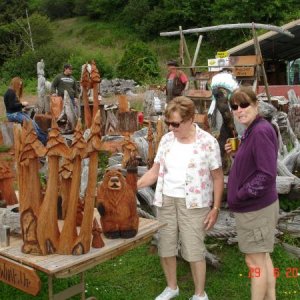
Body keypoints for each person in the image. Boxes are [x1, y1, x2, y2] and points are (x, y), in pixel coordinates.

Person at [137, 96, 224, 300]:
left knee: (194, 250)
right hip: (166, 200)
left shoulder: (208, 143)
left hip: (194, 204)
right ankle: (172, 287)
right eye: (169, 123)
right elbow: (154, 172)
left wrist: (216, 208)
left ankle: (199, 294)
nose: (171, 128)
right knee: (165, 246)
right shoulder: (167, 139)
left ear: (190, 119)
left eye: (176, 124)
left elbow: (218, 177)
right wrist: (131, 186)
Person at [225, 87, 279, 300]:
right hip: (257, 209)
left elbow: (266, 175)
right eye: (235, 106)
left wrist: (240, 195)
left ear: (256, 105)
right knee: (262, 259)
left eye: (244, 104)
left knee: (254, 264)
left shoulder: (260, 131)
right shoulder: (253, 130)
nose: (239, 110)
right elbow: (254, 166)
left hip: (256, 209)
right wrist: (238, 154)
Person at [4, 77, 48, 145]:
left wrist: (23, 106)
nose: (20, 86)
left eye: (21, 85)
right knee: (30, 124)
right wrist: (21, 104)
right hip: (12, 115)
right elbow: (11, 106)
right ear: (15, 84)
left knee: (33, 123)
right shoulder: (10, 93)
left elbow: (15, 105)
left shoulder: (13, 92)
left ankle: (45, 137)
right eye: (19, 85)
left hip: (17, 112)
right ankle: (43, 140)